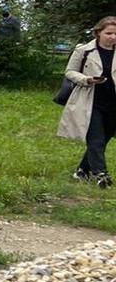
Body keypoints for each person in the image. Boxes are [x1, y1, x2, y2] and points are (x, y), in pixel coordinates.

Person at [58, 16, 116, 188]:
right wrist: (87, 79)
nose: (113, 37)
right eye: (109, 33)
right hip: (90, 101)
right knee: (96, 139)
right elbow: (69, 72)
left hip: (113, 103)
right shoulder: (84, 50)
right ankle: (101, 174)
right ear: (98, 33)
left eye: (115, 34)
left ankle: (82, 170)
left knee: (104, 139)